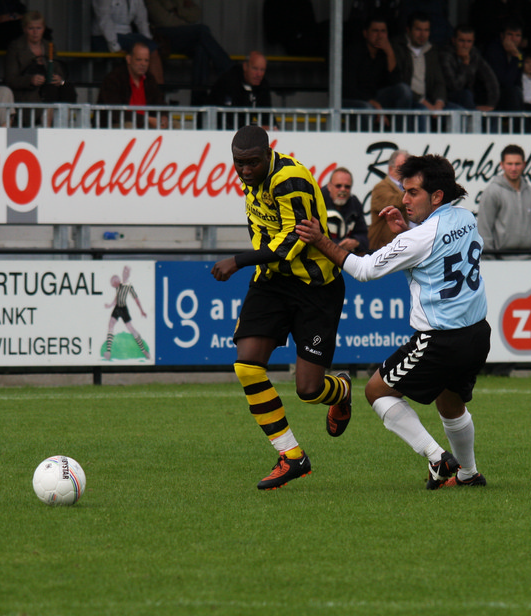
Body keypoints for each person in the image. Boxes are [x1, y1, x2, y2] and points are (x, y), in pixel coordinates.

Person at [295, 154, 490, 490]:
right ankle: (469, 474)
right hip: (477, 334)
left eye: (413, 192)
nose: (404, 199)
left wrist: (320, 239)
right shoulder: (465, 218)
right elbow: (435, 244)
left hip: (440, 339)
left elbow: (363, 270)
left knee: (376, 391)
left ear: (436, 196)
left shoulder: (418, 238)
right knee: (450, 402)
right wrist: (409, 230)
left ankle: (437, 457)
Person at [210, 125, 352, 491]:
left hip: (316, 287)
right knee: (246, 364)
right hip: (272, 281)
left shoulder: (290, 179)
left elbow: (293, 242)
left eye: (252, 163)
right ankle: (292, 456)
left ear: (267, 153)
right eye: (239, 163)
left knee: (309, 389)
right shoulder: (253, 179)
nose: (245, 170)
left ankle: (341, 391)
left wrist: (238, 261)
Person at [145, 0, 232, 104]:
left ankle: (198, 101)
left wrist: (178, 12)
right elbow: (163, 21)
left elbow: (195, 14)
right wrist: (186, 22)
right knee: (201, 30)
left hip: (184, 35)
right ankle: (229, 71)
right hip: (162, 36)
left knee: (201, 48)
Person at [4, 10, 76, 121]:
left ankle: (63, 123)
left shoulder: (49, 46)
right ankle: (48, 124)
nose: (35, 32)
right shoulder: (15, 47)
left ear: (43, 29)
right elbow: (10, 79)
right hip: (28, 94)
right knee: (50, 91)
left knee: (66, 88)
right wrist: (30, 80)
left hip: (51, 91)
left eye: (39, 28)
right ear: (24, 29)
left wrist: (59, 78)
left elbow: (58, 69)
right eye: (31, 28)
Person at [478, 144, 531, 259]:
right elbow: (484, 231)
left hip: (529, 261)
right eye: (509, 164)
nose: (513, 168)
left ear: (524, 164)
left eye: (517, 164)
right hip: (500, 260)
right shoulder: (492, 192)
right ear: (502, 165)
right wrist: (491, 261)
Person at [341, 15, 412, 112]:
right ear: (365, 33)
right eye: (375, 31)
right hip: (354, 99)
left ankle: (398, 123)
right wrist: (371, 102)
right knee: (367, 108)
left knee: (404, 90)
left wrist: (390, 53)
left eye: (383, 31)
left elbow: (395, 82)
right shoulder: (353, 52)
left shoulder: (385, 53)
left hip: (376, 98)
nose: (379, 36)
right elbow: (348, 88)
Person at [91, 0, 165, 85]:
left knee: (151, 48)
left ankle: (156, 89)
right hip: (103, 37)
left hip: (127, 35)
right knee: (149, 49)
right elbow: (104, 20)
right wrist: (115, 46)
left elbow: (142, 21)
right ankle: (157, 89)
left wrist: (148, 40)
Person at [97, 41, 168, 128]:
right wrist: (146, 119)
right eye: (139, 60)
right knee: (129, 126)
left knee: (175, 125)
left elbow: (159, 102)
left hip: (145, 125)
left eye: (146, 60)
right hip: (114, 126)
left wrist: (164, 117)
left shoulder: (149, 79)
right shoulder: (113, 79)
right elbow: (115, 112)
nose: (143, 64)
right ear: (128, 59)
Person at [393, 11, 448, 112]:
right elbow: (399, 81)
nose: (422, 34)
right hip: (411, 101)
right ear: (408, 30)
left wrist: (439, 103)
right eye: (418, 29)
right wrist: (424, 102)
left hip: (429, 100)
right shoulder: (398, 47)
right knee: (423, 111)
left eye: (426, 30)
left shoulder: (432, 50)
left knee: (456, 110)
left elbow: (439, 82)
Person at [440, 24, 499, 111]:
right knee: (466, 95)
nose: (465, 45)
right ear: (454, 40)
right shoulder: (445, 55)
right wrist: (465, 64)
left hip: (469, 97)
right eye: (461, 41)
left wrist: (491, 104)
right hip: (447, 97)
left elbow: (490, 78)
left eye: (469, 41)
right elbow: (454, 86)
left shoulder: (474, 54)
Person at [208, 51, 273, 130]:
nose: (259, 74)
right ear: (245, 66)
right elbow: (229, 117)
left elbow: (267, 114)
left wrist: (272, 127)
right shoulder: (229, 81)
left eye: (262, 70)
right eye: (255, 68)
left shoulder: (263, 85)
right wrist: (255, 127)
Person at [103, 266, 151, 361]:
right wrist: (110, 305)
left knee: (131, 329)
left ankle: (144, 351)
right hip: (118, 308)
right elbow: (117, 297)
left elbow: (136, 299)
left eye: (113, 284)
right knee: (111, 325)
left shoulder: (126, 284)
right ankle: (108, 351)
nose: (114, 286)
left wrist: (141, 310)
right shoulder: (119, 286)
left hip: (123, 309)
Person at [322, 167, 370, 254]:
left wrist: (356, 242)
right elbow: (314, 236)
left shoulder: (355, 204)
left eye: (347, 187)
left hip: (347, 257)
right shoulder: (318, 203)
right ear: (329, 186)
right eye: (338, 186)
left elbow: (364, 236)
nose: (343, 189)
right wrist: (338, 246)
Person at [483, 18, 528, 111]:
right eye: (510, 34)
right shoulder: (493, 51)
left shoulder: (520, 54)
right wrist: (515, 57)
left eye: (518, 35)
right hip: (492, 98)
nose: (514, 39)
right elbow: (505, 82)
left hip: (512, 98)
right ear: (502, 36)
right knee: (514, 92)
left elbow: (518, 82)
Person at [369, 149, 409, 250]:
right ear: (391, 169)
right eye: (401, 167)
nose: (405, 171)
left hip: (403, 246)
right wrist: (415, 190)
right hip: (383, 249)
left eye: (408, 167)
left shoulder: (406, 187)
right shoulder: (380, 187)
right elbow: (395, 202)